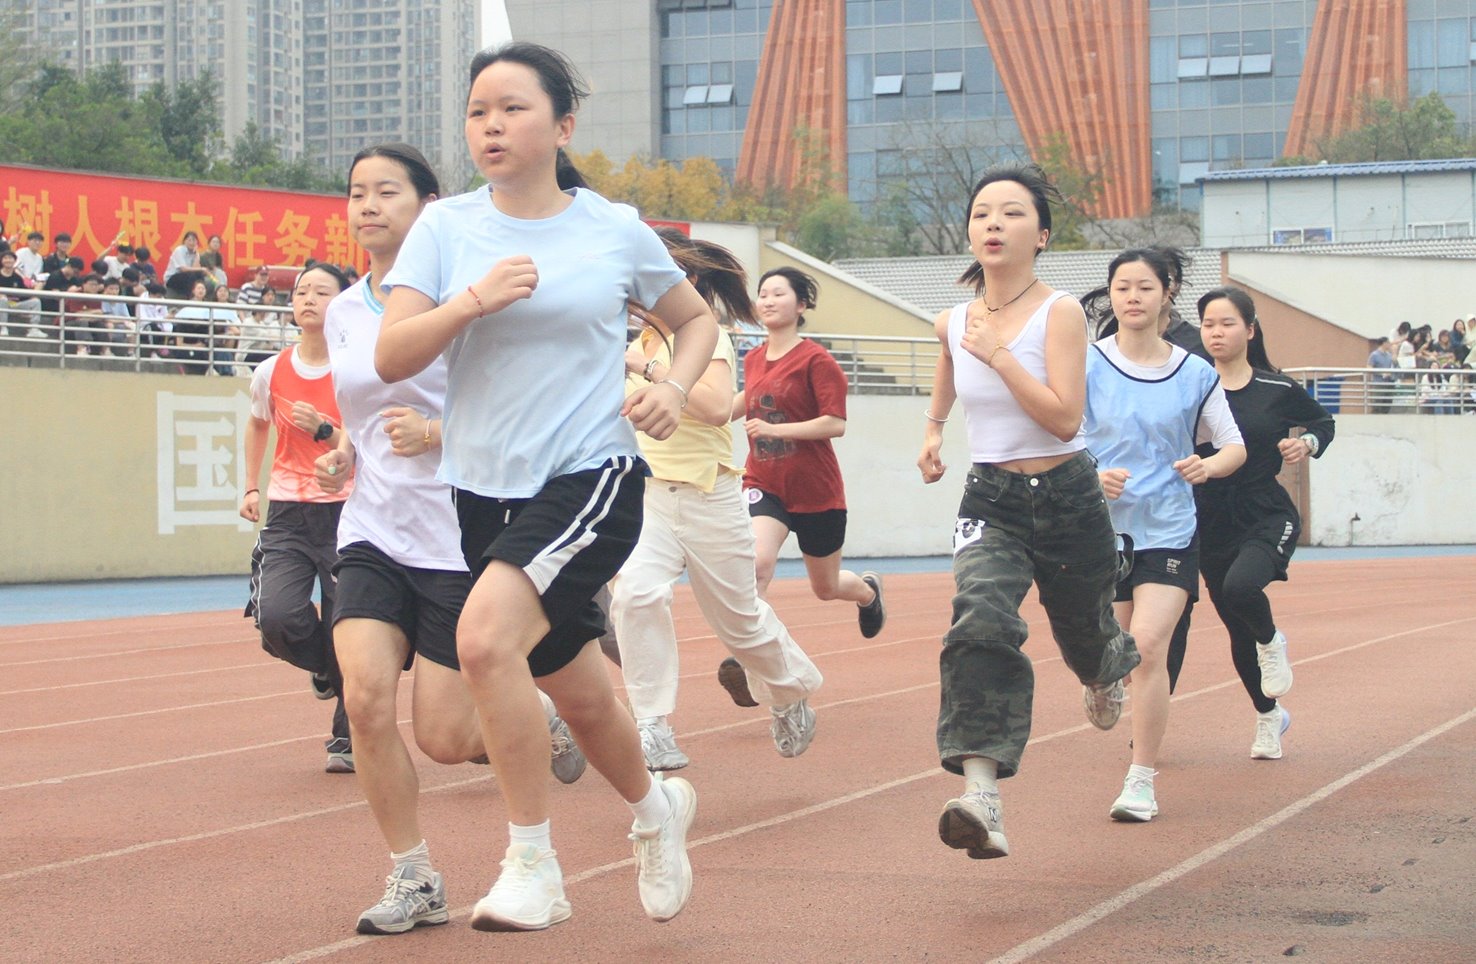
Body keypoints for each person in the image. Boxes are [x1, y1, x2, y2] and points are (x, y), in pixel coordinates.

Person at [375, 42, 720, 931]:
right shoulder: (445, 230)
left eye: (512, 108)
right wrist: (470, 303)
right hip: (483, 492)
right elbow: (393, 355)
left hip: (590, 473)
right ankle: (658, 811)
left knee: (486, 643)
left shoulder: (612, 228)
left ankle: (534, 865)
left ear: (563, 126)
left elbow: (694, 322)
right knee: (580, 694)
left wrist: (673, 388)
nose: (490, 125)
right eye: (477, 111)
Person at [314, 142, 587, 937]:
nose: (368, 205)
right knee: (365, 699)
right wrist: (345, 450)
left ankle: (536, 710)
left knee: (443, 737)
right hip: (371, 532)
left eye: (387, 191)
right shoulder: (342, 311)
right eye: (357, 192)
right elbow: (363, 410)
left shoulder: (473, 296)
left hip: (458, 538)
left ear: (429, 206)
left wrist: (435, 432)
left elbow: (519, 407)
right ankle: (414, 877)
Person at [916, 162, 1139, 860]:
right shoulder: (954, 320)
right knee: (979, 618)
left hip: (1069, 495)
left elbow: (1066, 419)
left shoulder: (1061, 312)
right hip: (991, 499)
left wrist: (1003, 357)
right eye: (982, 213)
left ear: (1041, 235)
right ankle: (980, 793)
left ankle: (1105, 670)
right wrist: (932, 430)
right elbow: (949, 361)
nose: (994, 224)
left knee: (1084, 639)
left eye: (1012, 213)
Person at [612, 229, 824, 771]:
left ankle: (788, 692)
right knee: (636, 595)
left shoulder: (705, 337)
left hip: (708, 496)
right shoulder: (636, 340)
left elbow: (711, 408)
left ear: (687, 280)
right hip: (646, 496)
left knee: (740, 621)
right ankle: (651, 724)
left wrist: (647, 369)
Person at [1081, 249, 1244, 822]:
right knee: (1110, 650)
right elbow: (1059, 436)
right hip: (1100, 532)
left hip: (1169, 530)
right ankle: (1101, 680)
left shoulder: (1195, 372)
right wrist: (1092, 475)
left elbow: (1233, 444)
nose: (1133, 297)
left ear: (1166, 293)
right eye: (1122, 287)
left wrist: (1208, 465)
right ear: (1110, 294)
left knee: (1147, 647)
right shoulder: (1086, 363)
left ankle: (1140, 780)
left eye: (1145, 287)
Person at [1195, 286, 1335, 761]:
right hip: (1209, 518)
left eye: (1227, 323)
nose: (1216, 332)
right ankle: (1268, 716)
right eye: (1208, 324)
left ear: (1250, 330)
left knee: (1241, 588)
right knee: (1237, 630)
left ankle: (1273, 640)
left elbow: (1323, 422)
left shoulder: (1277, 389)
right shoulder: (1191, 385)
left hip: (1264, 511)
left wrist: (1307, 443)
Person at [240, 263, 356, 773]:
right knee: (277, 617)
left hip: (349, 510)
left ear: (343, 303)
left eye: (321, 292)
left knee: (349, 627)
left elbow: (364, 439)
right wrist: (250, 485)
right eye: (301, 291)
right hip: (288, 512)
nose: (308, 298)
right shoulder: (270, 371)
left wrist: (326, 431)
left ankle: (347, 737)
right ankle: (325, 668)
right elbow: (257, 425)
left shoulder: (355, 369)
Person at [734, 266, 886, 640]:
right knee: (756, 566)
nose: (768, 301)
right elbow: (736, 404)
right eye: (763, 294)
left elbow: (835, 423)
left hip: (816, 492)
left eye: (778, 294)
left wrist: (775, 430)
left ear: (801, 305)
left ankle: (867, 593)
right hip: (764, 483)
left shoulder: (816, 360)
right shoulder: (753, 359)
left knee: (826, 587)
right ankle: (753, 654)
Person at [1367, 336, 1395, 413]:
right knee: (1377, 403)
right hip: (1379, 382)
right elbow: (1369, 367)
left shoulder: (1389, 355)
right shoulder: (1374, 355)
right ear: (1384, 343)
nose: (1389, 344)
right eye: (1388, 342)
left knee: (1387, 402)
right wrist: (1381, 373)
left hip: (1389, 382)